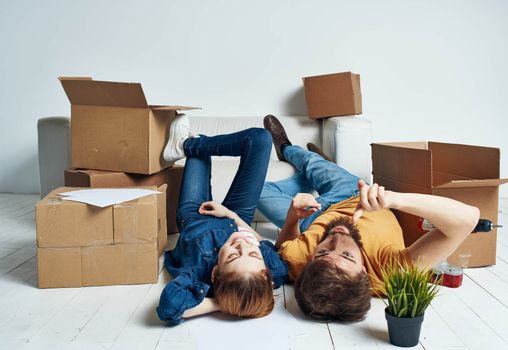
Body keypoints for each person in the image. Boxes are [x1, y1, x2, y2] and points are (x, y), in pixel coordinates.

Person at [257, 115, 480, 322]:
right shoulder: (389, 271)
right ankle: (301, 160)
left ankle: (294, 158)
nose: (335, 237)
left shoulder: (300, 263)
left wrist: (292, 218)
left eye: (323, 251)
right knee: (313, 165)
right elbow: (469, 218)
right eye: (346, 254)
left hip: (313, 215)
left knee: (257, 191)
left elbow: (285, 245)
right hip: (354, 193)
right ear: (364, 273)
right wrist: (393, 199)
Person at [157, 114, 288, 325]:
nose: (242, 244)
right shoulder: (275, 270)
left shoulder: (197, 272)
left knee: (201, 147)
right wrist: (231, 215)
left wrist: (223, 303)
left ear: (215, 273)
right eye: (253, 253)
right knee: (260, 138)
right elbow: (260, 241)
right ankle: (188, 144)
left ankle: (189, 144)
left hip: (194, 216)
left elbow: (169, 307)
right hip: (236, 215)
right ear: (267, 276)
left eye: (233, 256)